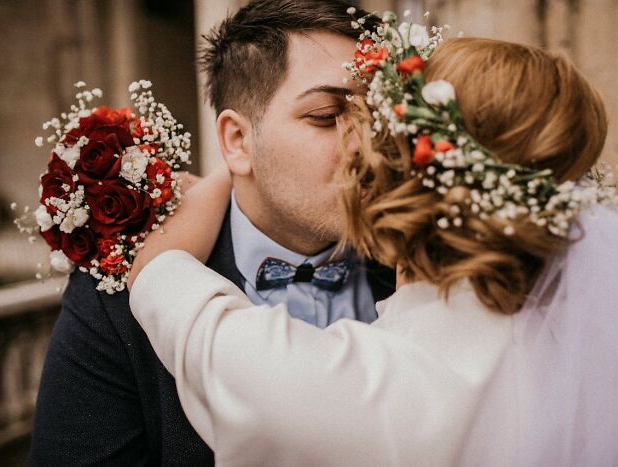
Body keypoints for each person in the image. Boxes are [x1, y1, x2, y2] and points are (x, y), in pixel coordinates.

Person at [127, 31, 618, 466]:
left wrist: (224, 176)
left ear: (406, 169)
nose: (354, 146)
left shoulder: (342, 385)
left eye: (369, 124)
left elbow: (159, 276)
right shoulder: (602, 364)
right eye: (327, 116)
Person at [28, 1, 393, 465]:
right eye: (326, 115)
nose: (367, 145)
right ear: (237, 141)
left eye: (376, 114)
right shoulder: (116, 300)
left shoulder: (434, 268)